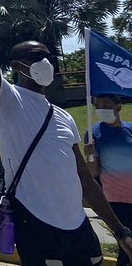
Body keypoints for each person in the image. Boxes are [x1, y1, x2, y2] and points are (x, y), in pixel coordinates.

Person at [0, 0, 132, 266]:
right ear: (17, 66)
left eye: (47, 56)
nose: (44, 61)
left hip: (79, 230)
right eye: (34, 56)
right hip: (38, 228)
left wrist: (119, 230)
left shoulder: (63, 116)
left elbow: (85, 178)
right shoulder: (6, 100)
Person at [87, 95, 132, 266]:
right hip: (116, 201)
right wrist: (90, 155)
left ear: (118, 107)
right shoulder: (93, 134)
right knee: (127, 247)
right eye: (98, 106)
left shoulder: (130, 129)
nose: (101, 109)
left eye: (106, 104)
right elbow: (93, 172)